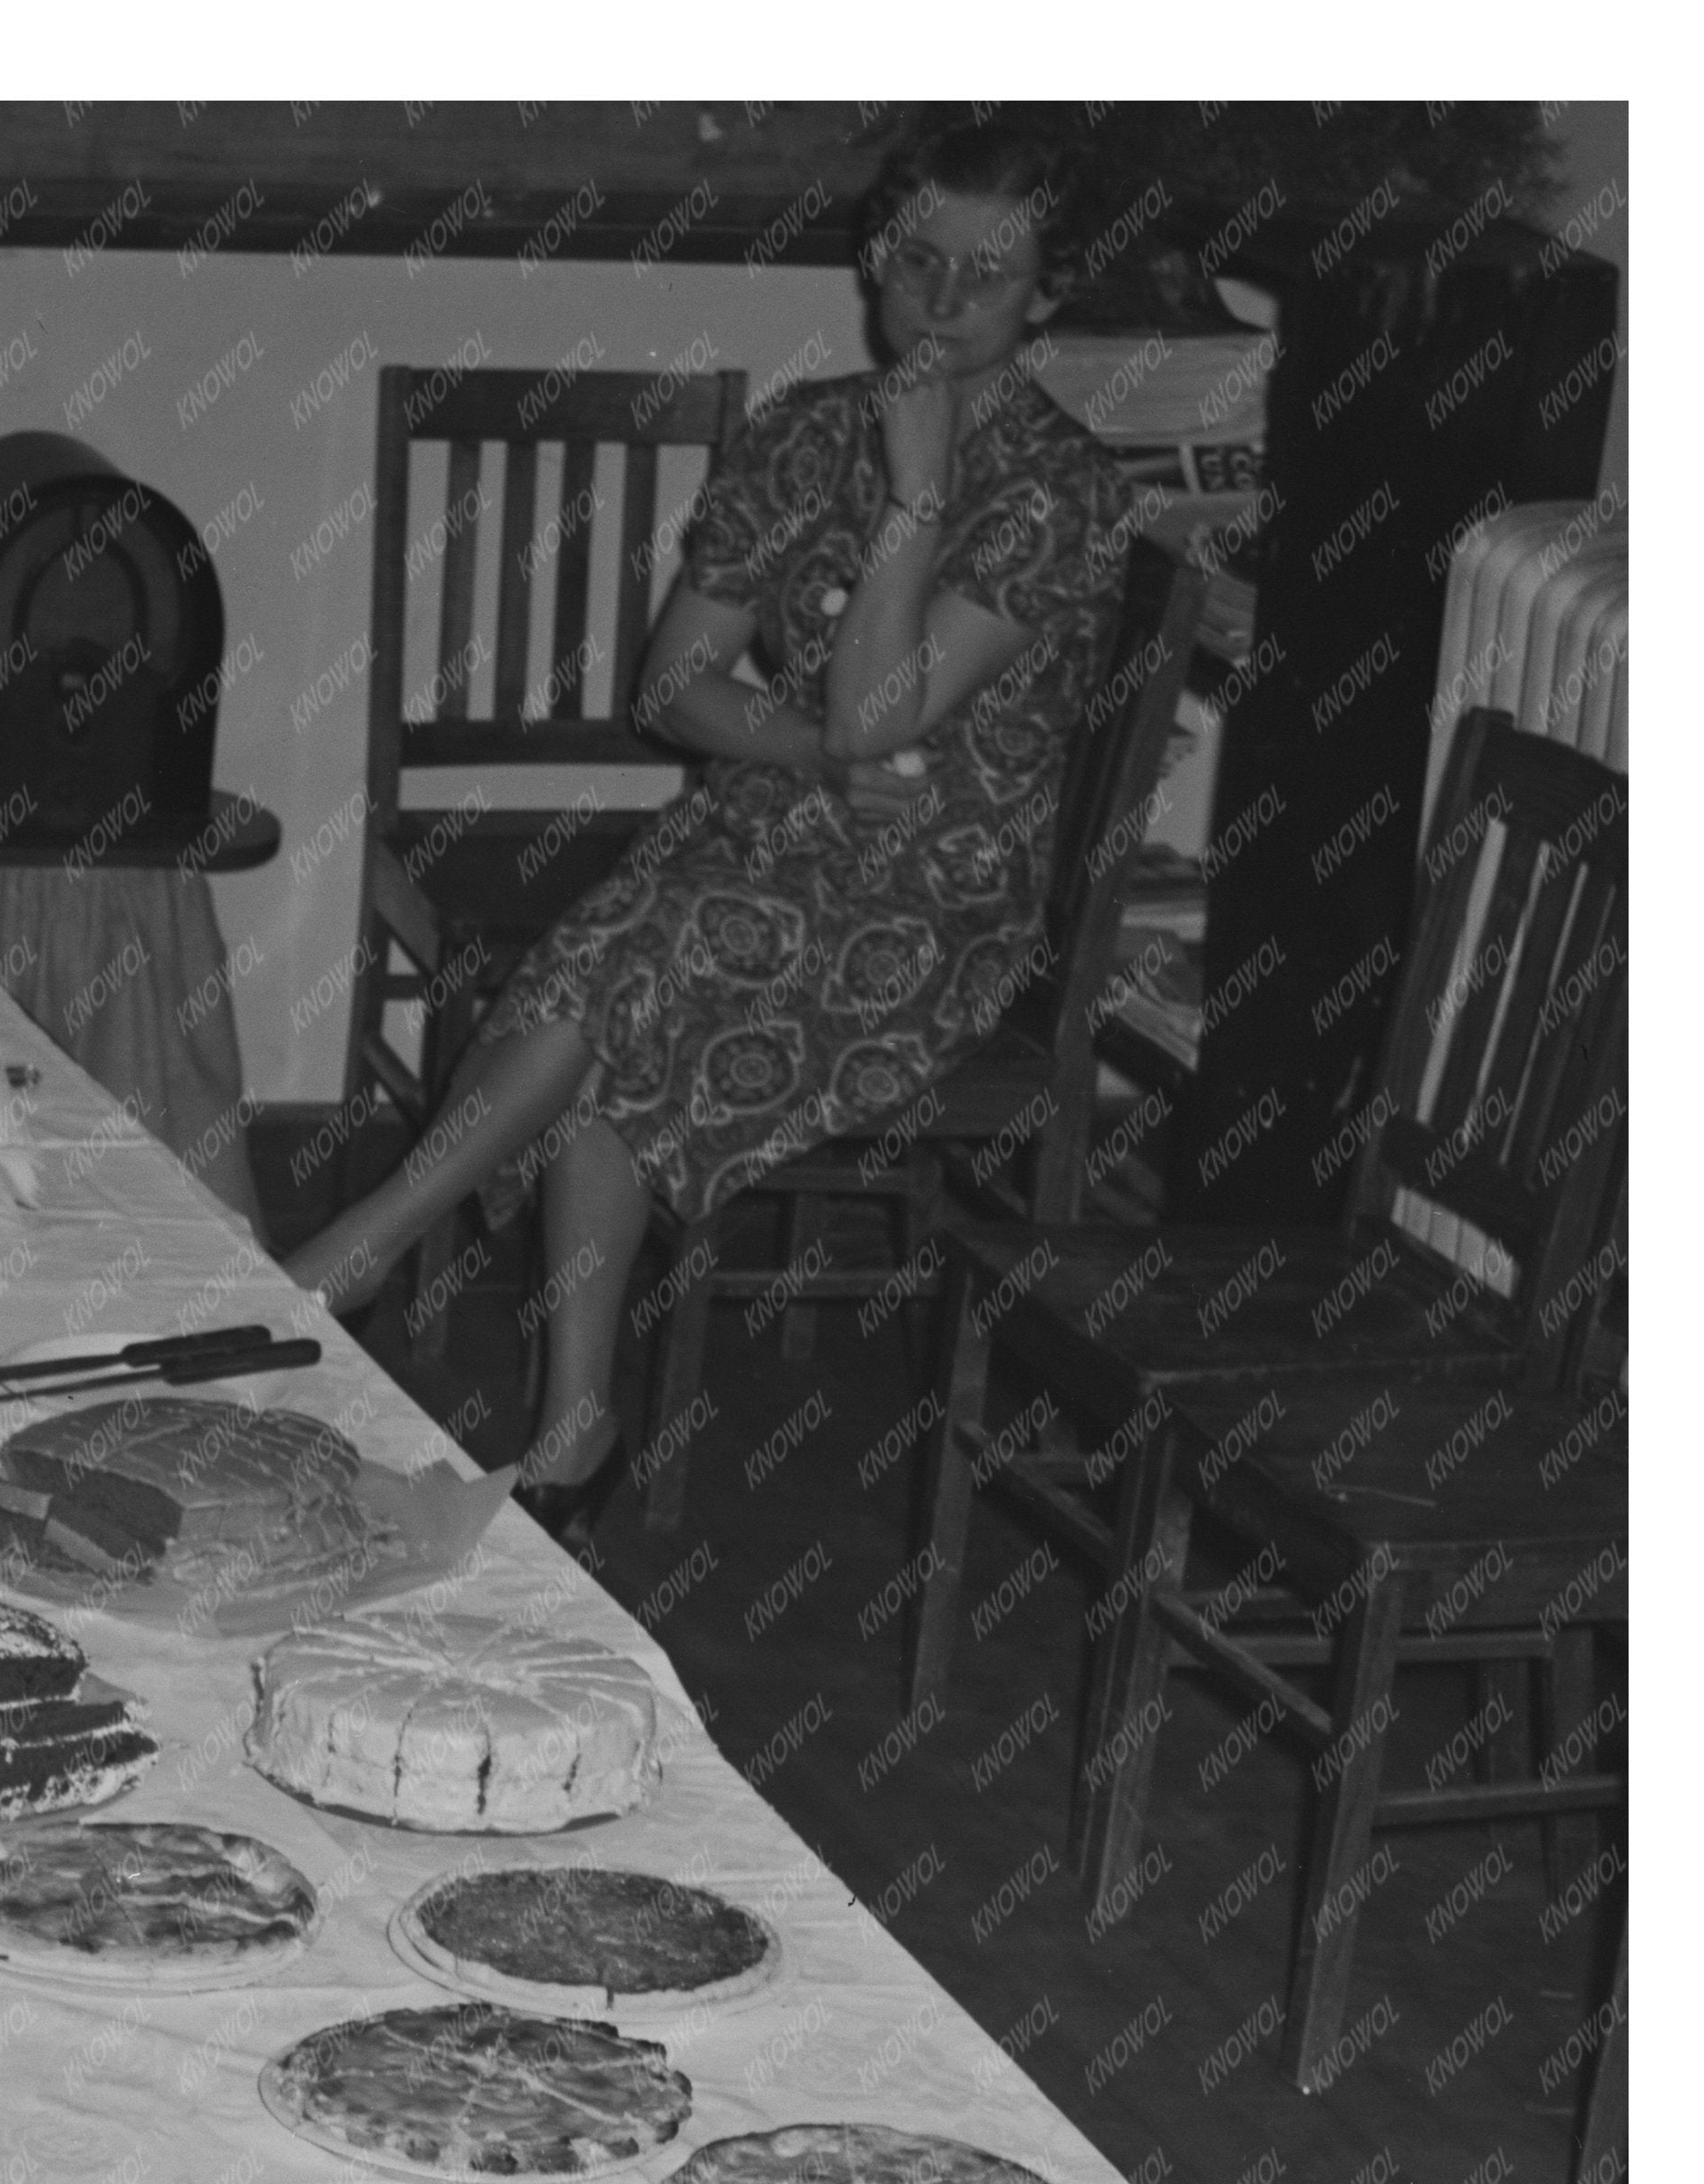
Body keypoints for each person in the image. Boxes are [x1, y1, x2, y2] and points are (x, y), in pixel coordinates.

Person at [288, 118, 1138, 1536]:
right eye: (911, 259)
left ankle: (365, 1249)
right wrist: (802, 747)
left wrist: (917, 496)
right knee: (636, 969)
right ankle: (564, 1426)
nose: (933, 300)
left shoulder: (1065, 494)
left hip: (928, 903)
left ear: (1046, 298)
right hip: (755, 844)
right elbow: (673, 687)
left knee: (629, 969)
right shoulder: (802, 434)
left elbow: (883, 718)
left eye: (981, 277)